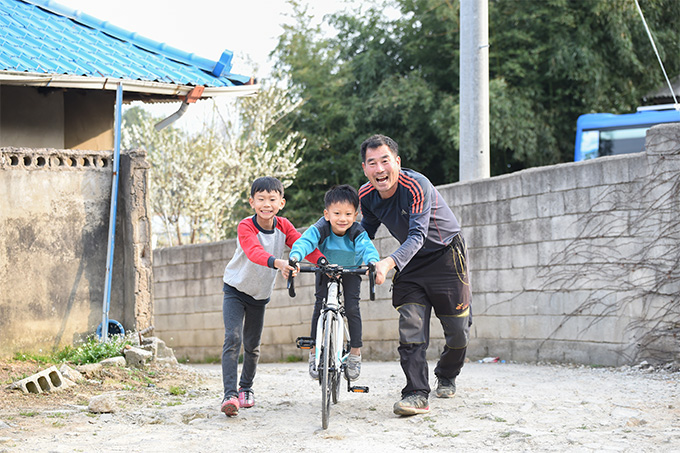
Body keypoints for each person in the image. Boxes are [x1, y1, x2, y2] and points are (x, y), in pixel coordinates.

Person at [358, 134, 472, 416]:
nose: (379, 169)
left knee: (458, 333)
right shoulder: (366, 195)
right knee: (410, 326)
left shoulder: (417, 185)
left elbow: (418, 235)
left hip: (446, 256)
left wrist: (388, 263)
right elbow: (364, 233)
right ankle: (416, 393)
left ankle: (446, 374)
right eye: (372, 163)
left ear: (397, 162)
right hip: (411, 266)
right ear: (365, 169)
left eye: (385, 161)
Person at [220, 176, 323, 417]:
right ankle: (230, 395)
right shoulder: (246, 226)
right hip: (235, 290)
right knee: (232, 338)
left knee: (253, 345)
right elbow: (254, 251)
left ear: (281, 203)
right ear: (252, 202)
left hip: (259, 295)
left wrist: (323, 262)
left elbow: (302, 244)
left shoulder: (284, 226)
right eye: (261, 199)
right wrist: (278, 262)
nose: (266, 204)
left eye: (272, 199)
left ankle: (246, 388)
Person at [289, 184, 380, 381]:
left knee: (352, 308)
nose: (342, 218)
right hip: (325, 269)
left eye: (348, 214)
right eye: (337, 213)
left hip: (351, 270)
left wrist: (373, 261)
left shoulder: (357, 231)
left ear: (356, 215)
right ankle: (314, 352)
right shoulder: (321, 228)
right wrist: (295, 257)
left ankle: (355, 353)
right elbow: (305, 241)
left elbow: (367, 248)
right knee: (319, 305)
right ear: (327, 214)